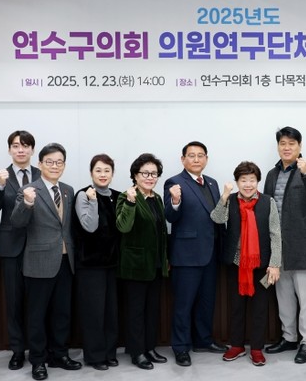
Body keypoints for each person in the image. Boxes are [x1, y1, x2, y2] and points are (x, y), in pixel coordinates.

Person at [10, 143, 81, 380]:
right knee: (37, 315)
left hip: (66, 260)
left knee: (62, 313)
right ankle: (38, 360)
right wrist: (27, 203)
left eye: (59, 162)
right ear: (40, 164)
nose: (54, 166)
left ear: (64, 165)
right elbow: (17, 222)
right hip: (39, 262)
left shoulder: (68, 190)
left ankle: (59, 354)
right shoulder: (28, 190)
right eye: (49, 162)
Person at [263, 126, 306, 364]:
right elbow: (267, 208)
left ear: (300, 146)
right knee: (284, 295)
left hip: (303, 245)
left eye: (292, 143)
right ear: (278, 146)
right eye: (283, 143)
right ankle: (288, 337)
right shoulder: (272, 174)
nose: (287, 147)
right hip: (278, 246)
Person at [211, 161, 282, 366]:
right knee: (236, 307)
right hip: (236, 263)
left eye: (252, 180)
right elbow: (217, 219)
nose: (248, 184)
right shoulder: (231, 200)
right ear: (237, 182)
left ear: (257, 181)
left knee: (260, 308)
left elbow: (275, 234)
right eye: (243, 180)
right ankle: (237, 345)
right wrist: (224, 196)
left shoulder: (268, 202)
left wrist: (275, 264)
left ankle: (257, 348)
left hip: (262, 264)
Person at [164, 141, 227, 367]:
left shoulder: (212, 183)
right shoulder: (174, 183)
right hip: (187, 254)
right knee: (184, 304)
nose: (196, 159)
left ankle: (203, 340)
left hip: (210, 253)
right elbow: (170, 216)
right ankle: (181, 347)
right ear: (183, 160)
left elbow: (216, 216)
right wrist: (175, 201)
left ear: (206, 159)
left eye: (201, 155)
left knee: (206, 302)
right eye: (191, 155)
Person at [0, 130, 40, 371]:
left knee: (37, 301)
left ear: (32, 150)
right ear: (9, 149)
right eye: (16, 145)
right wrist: (0, 185)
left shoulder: (41, 174)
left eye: (25, 145)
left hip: (38, 245)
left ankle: (39, 349)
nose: (21, 149)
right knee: (14, 302)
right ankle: (17, 350)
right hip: (10, 248)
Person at [116, 153, 170, 370]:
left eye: (154, 174)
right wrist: (130, 203)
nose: (150, 177)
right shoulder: (126, 196)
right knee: (136, 311)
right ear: (135, 176)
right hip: (135, 265)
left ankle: (149, 348)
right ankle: (137, 352)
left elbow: (161, 232)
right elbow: (123, 227)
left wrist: (165, 259)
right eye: (145, 173)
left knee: (152, 309)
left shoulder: (157, 198)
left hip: (155, 264)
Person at [71, 154, 121, 371]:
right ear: (91, 173)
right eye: (98, 170)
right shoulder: (84, 194)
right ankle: (95, 356)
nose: (103, 174)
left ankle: (109, 353)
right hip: (90, 264)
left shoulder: (118, 196)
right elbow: (89, 226)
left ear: (112, 173)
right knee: (94, 312)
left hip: (112, 264)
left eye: (107, 170)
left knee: (110, 312)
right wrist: (92, 201)